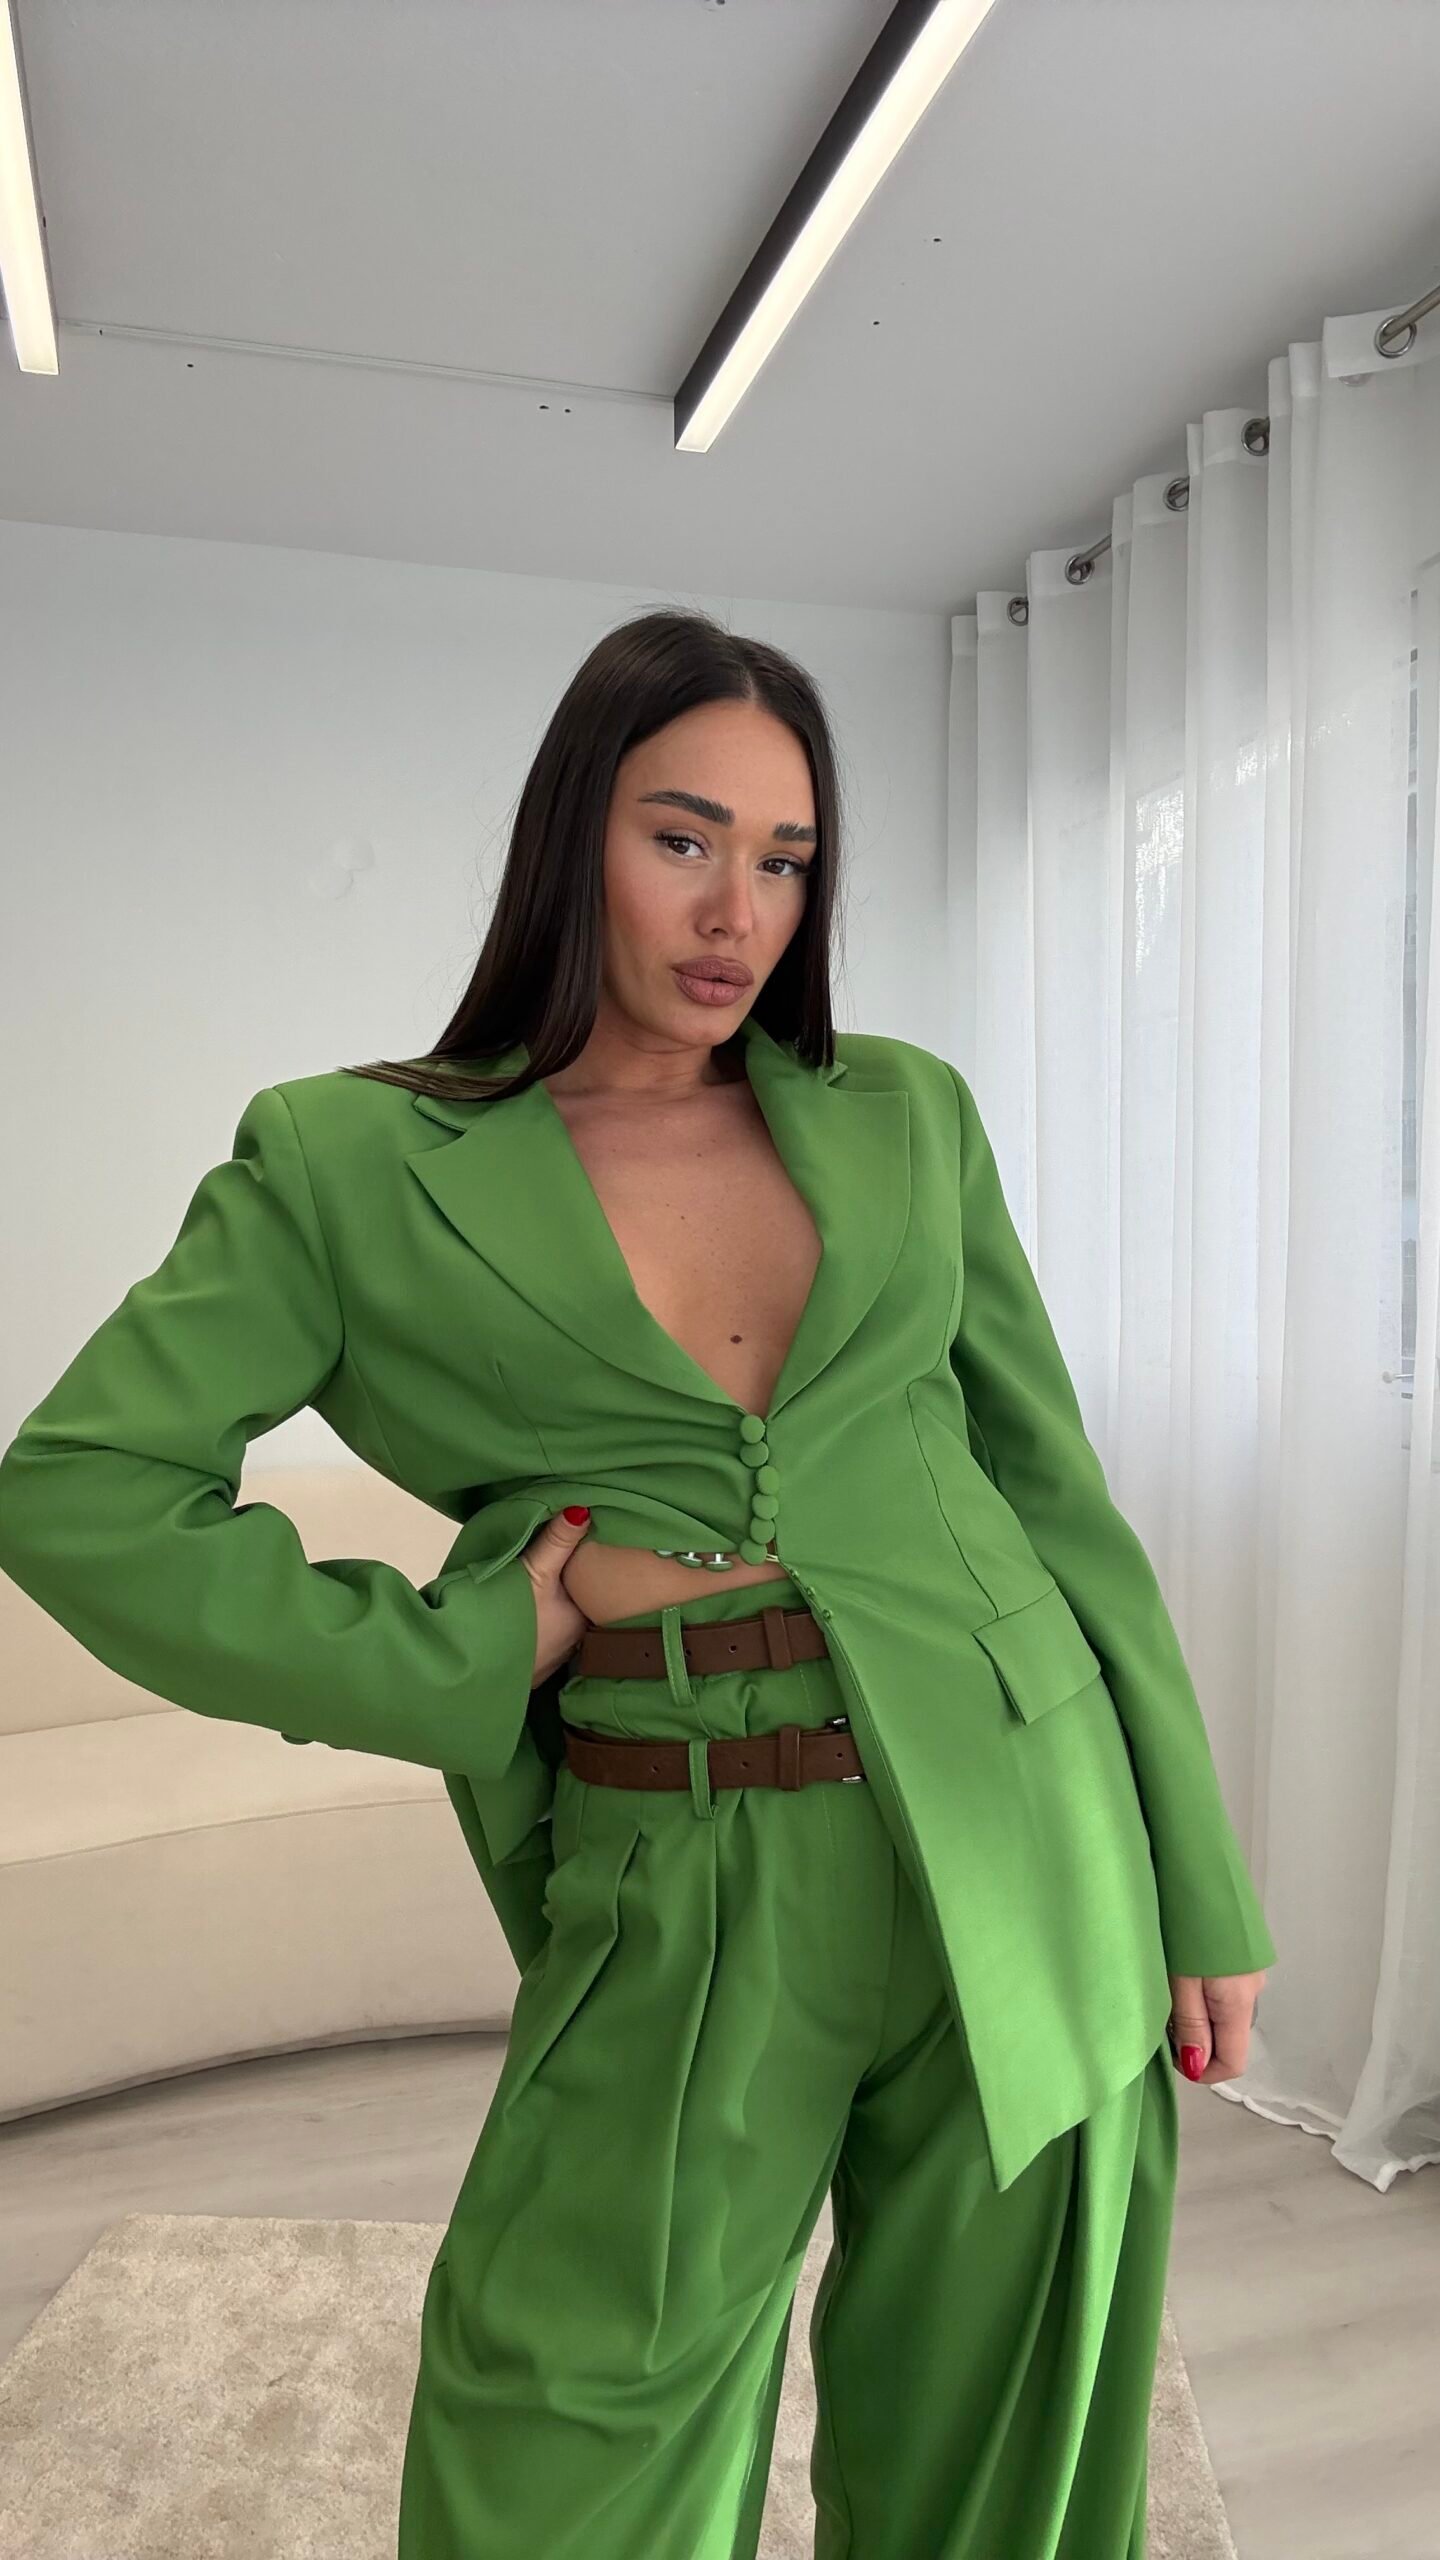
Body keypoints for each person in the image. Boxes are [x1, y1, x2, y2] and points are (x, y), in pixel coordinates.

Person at [0, 606, 1275, 2558]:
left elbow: (1052, 1489)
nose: (737, 909)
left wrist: (1199, 1869)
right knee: (556, 2427)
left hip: (1033, 1830)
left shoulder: (906, 1113)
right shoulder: (353, 1161)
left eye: (787, 858)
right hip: (679, 1857)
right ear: (574, 829)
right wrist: (468, 1645)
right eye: (684, 837)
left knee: (1007, 2451)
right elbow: (83, 1491)